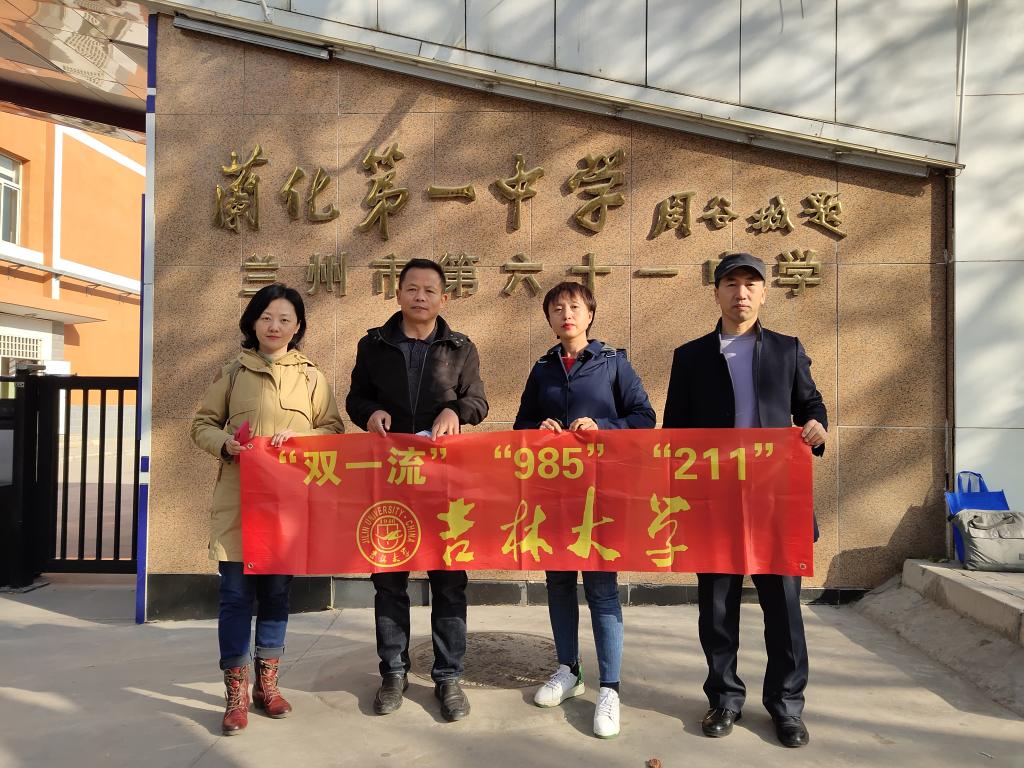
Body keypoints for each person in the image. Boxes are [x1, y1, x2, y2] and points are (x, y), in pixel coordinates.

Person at [662, 252, 827, 748]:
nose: (741, 293)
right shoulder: (691, 356)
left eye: (751, 284)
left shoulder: (786, 349)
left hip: (776, 500)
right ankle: (724, 699)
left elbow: (810, 404)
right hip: (715, 502)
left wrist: (816, 426)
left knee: (785, 609)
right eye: (731, 283)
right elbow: (674, 432)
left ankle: (786, 706)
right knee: (717, 609)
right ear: (716, 292)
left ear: (764, 293)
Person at [191, 283, 344, 735]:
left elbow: (333, 429)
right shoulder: (233, 372)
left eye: (285, 320)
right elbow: (201, 424)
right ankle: (235, 693)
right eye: (266, 317)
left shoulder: (312, 377)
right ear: (253, 323)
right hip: (238, 505)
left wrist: (303, 440)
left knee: (277, 595)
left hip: (288, 509)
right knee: (236, 597)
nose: (275, 326)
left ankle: (268, 686)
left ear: (297, 328)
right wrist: (225, 444)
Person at [346, 257, 488, 722]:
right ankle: (393, 672)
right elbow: (355, 398)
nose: (420, 296)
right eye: (412, 288)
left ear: (443, 298)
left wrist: (456, 411)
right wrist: (369, 413)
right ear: (399, 294)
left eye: (429, 290)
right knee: (389, 578)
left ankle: (448, 676)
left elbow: (478, 401)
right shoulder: (374, 344)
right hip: (389, 479)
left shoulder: (460, 347)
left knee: (449, 579)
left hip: (444, 483)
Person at [513, 281, 656, 739]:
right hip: (553, 494)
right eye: (557, 309)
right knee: (558, 584)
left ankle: (609, 688)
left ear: (590, 314)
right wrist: (538, 428)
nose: (566, 314)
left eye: (574, 306)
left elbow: (644, 417)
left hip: (601, 496)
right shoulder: (542, 368)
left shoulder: (613, 363)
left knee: (601, 589)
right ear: (549, 319)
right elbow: (519, 425)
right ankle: (568, 670)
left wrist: (604, 426)